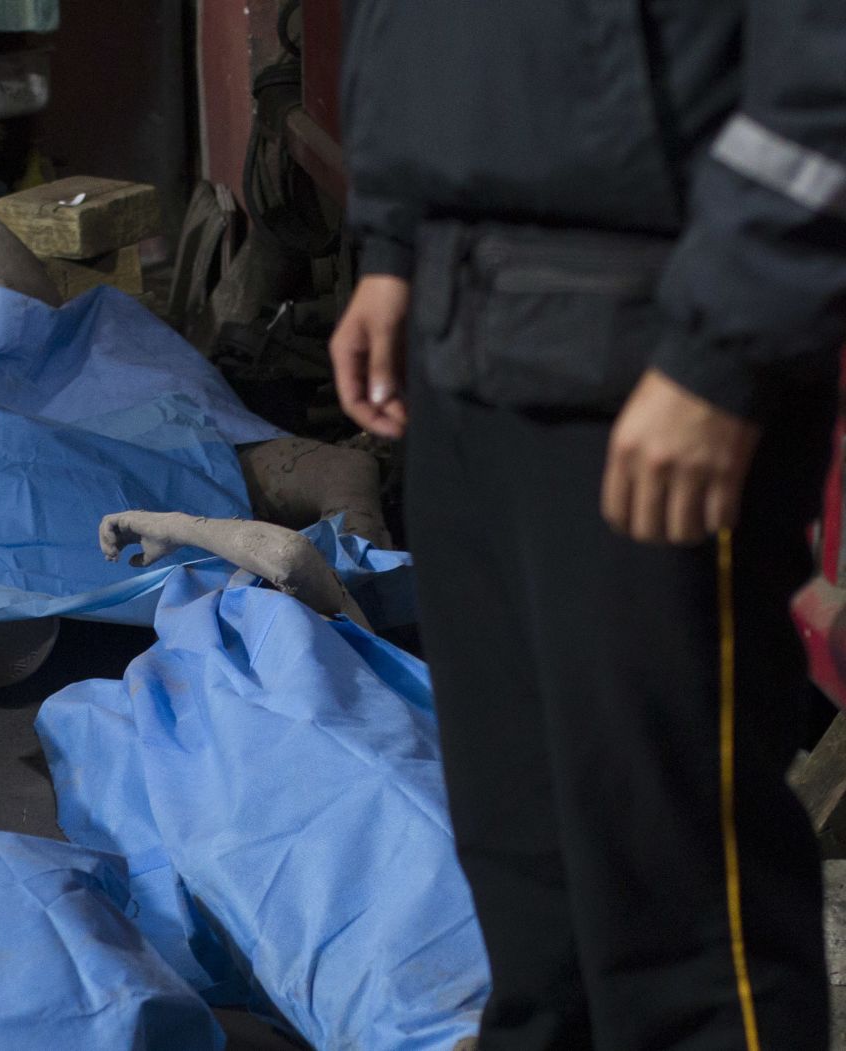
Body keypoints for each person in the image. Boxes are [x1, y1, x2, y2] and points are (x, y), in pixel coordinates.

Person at [329, 2, 846, 1047]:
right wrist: (390, 239)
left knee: (678, 902)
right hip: (458, 330)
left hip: (653, 349)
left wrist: (719, 349)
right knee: (526, 880)